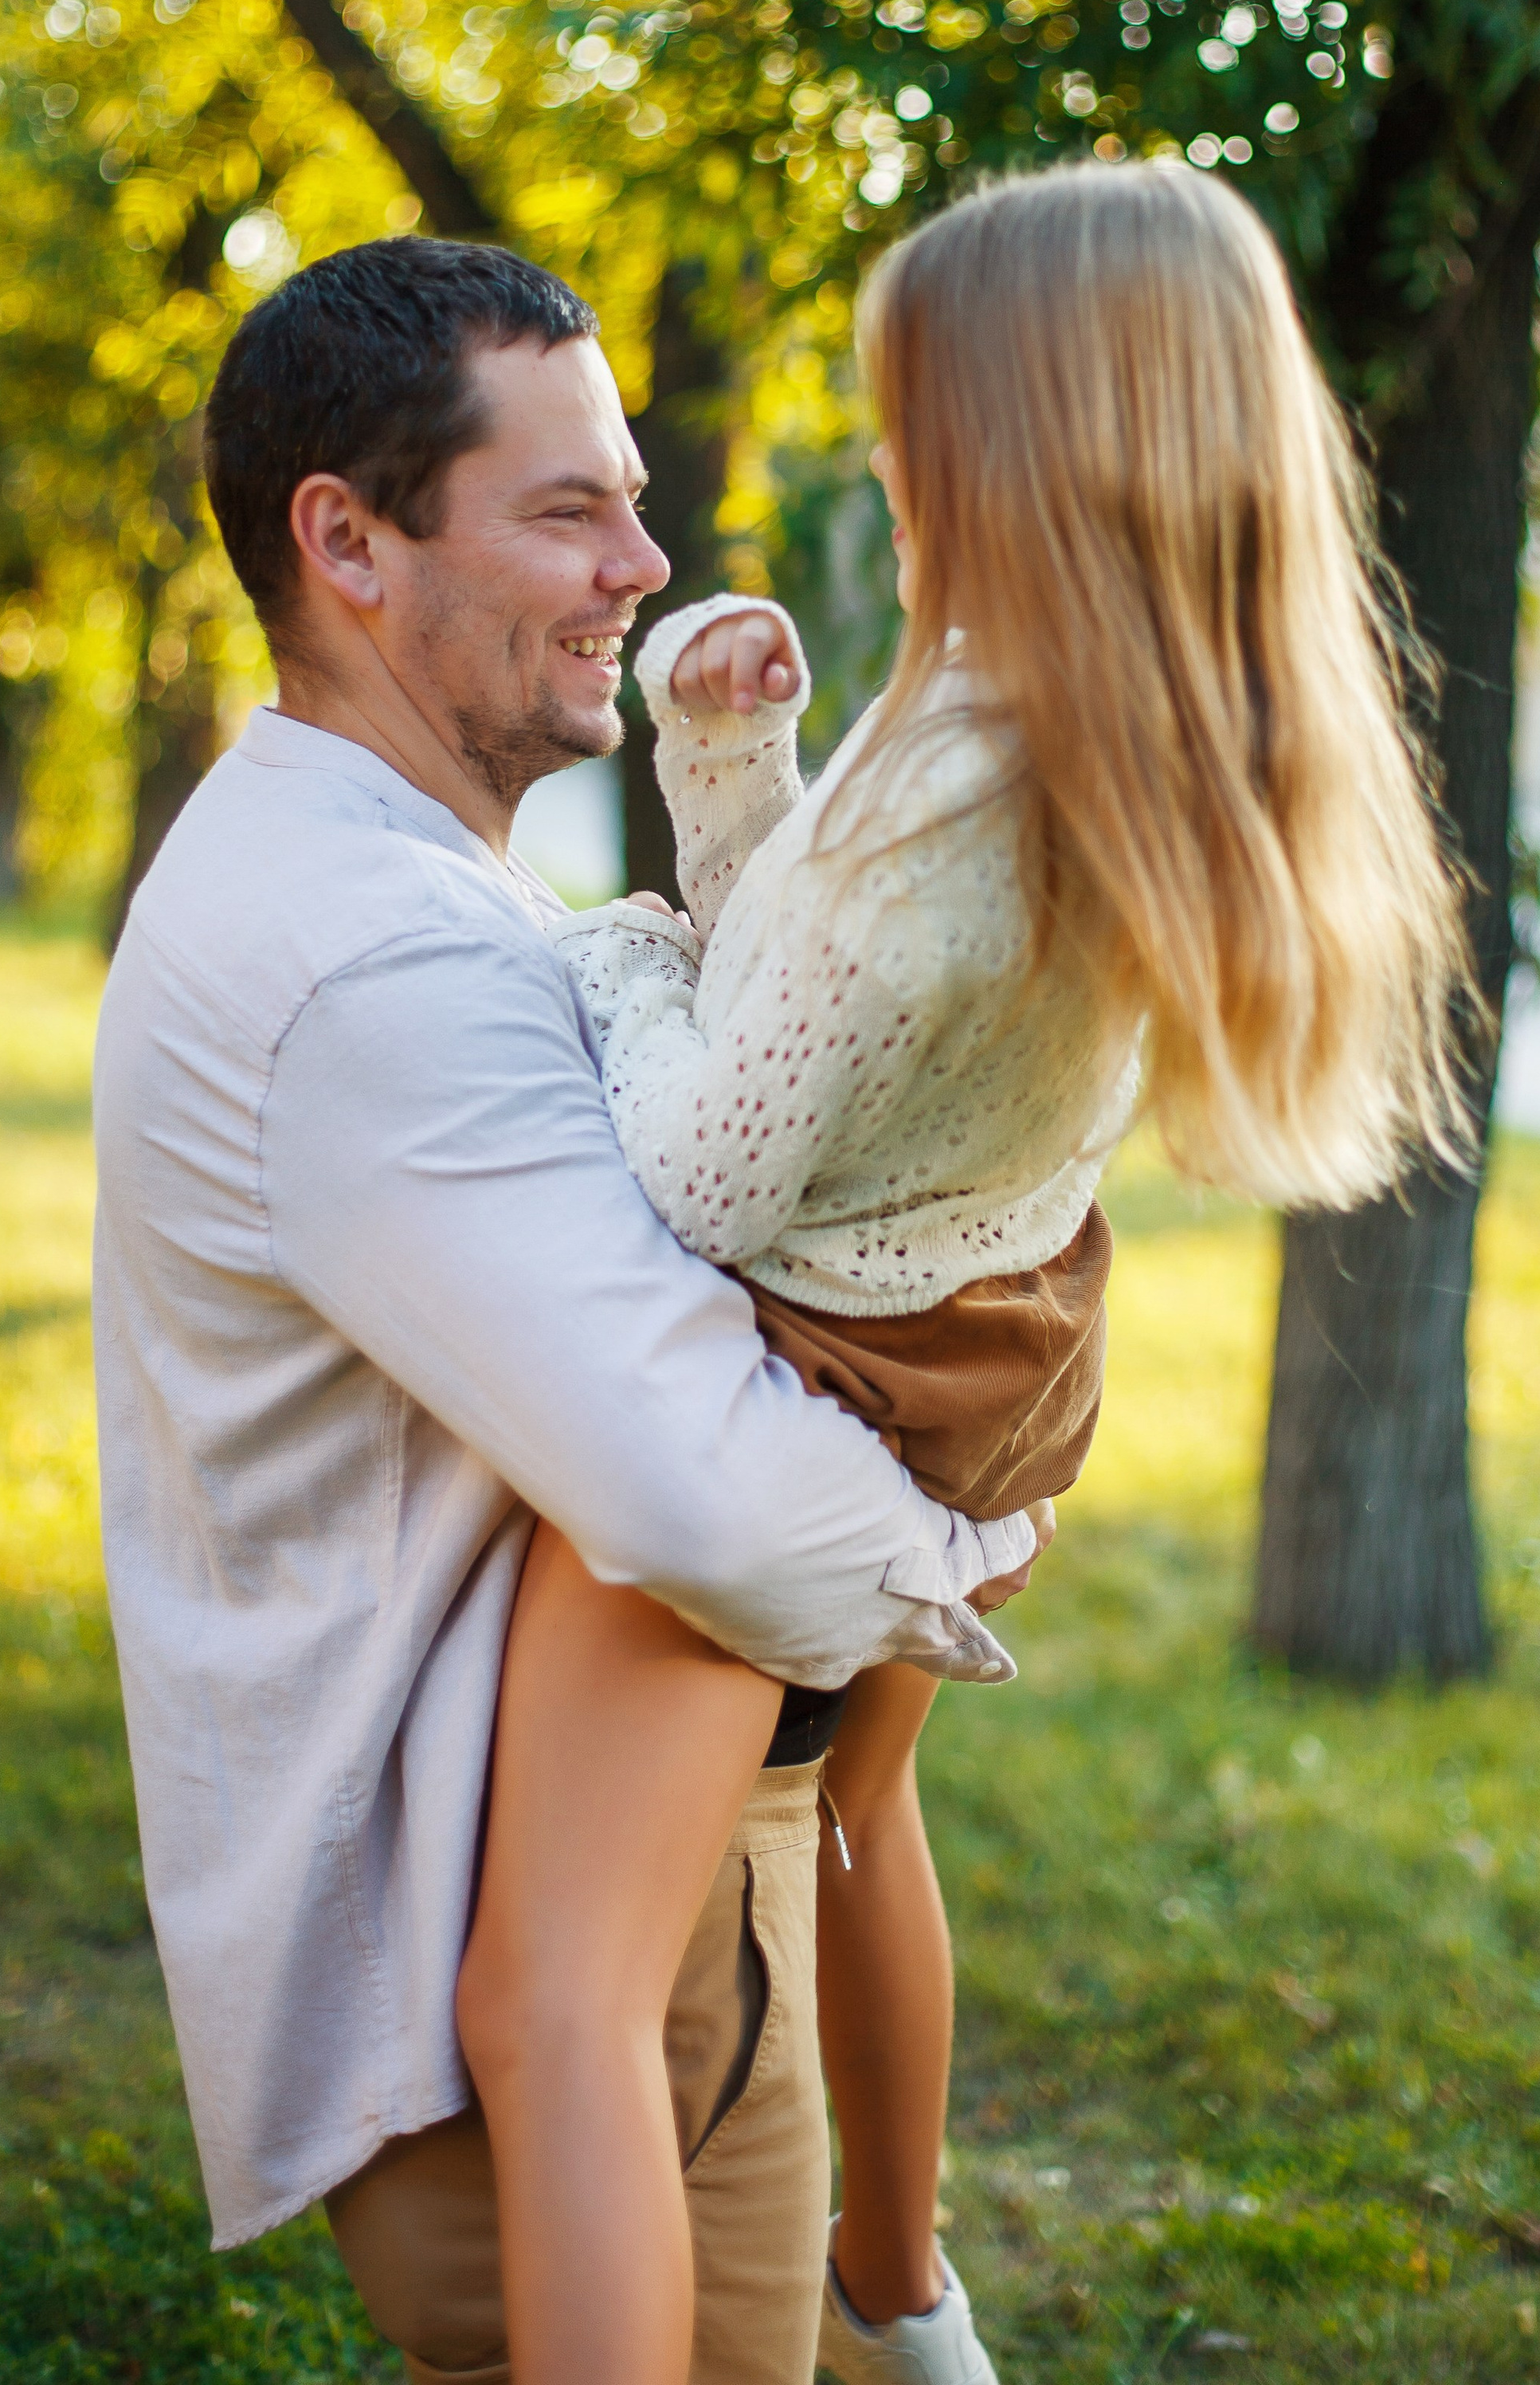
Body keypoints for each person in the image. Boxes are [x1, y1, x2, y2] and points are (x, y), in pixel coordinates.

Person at [459, 160, 1475, 2385]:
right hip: (989, 1349)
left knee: (568, 1994)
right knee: (859, 1813)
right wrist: (734, 764)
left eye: (911, 425)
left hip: (805, 1382)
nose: (886, 469)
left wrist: (614, 953)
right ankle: (904, 2294)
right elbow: (847, 1028)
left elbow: (716, 1157)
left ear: (1016, 447)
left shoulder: (942, 804)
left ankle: (721, 2312)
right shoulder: (1119, 756)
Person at [92, 237, 1045, 2385]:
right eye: (565, 510)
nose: (645, 556)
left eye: (631, 494)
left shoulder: (391, 889)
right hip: (580, 2016)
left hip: (637, 1918)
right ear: (345, 541)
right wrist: (973, 1514)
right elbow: (721, 1513)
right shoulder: (375, 967)